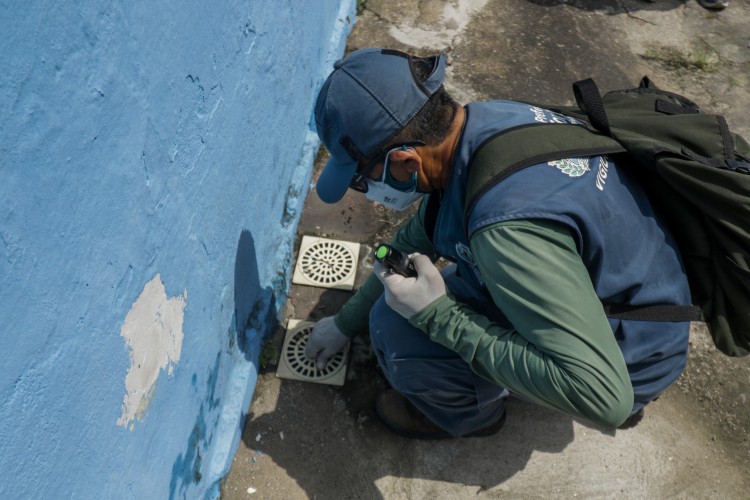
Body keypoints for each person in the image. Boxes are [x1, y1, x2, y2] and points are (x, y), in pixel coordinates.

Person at [305, 48, 692, 439]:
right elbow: (417, 235)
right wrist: (344, 323)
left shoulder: (504, 232)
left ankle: (471, 417)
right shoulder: (483, 125)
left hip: (625, 360)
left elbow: (605, 399)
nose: (366, 191)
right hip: (636, 293)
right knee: (402, 303)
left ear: (407, 162)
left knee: (397, 329)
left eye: (361, 179)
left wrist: (437, 315)